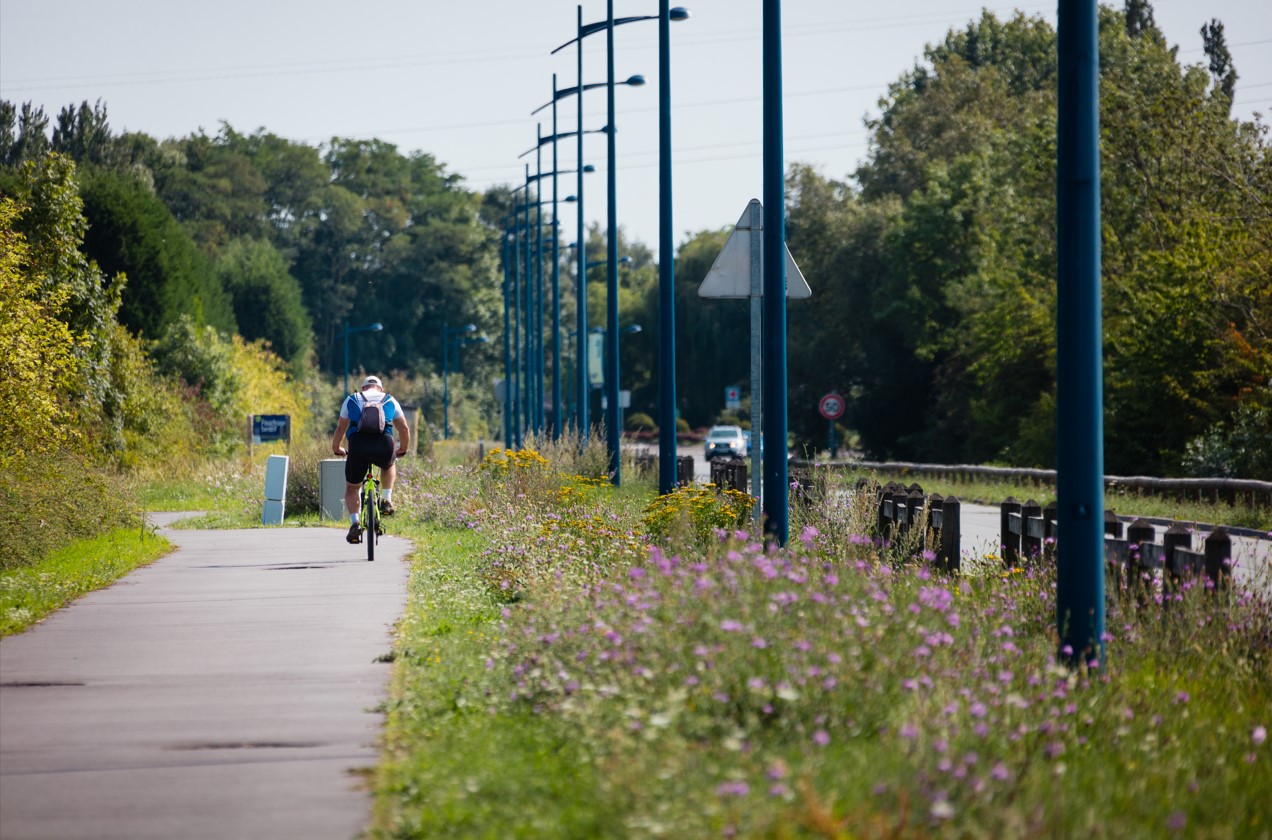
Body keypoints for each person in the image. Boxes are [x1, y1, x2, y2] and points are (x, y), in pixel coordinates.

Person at [332, 375, 410, 544]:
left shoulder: (352, 399)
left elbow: (341, 427)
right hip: (384, 443)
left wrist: (336, 448)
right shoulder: (389, 399)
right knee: (389, 464)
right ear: (380, 388)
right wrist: (402, 449)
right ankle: (387, 499)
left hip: (358, 445)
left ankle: (355, 524)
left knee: (352, 488)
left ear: (363, 389)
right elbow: (403, 428)